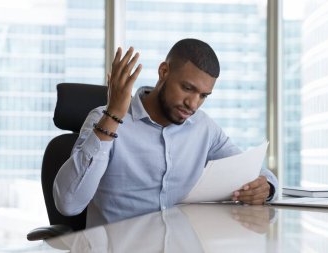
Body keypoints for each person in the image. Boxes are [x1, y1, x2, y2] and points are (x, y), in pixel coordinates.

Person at [53, 38, 278, 228]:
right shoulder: (103, 118)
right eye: (187, 88)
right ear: (163, 71)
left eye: (203, 96)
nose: (193, 104)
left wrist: (266, 187)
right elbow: (69, 204)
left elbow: (250, 169)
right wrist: (113, 115)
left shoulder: (203, 128)